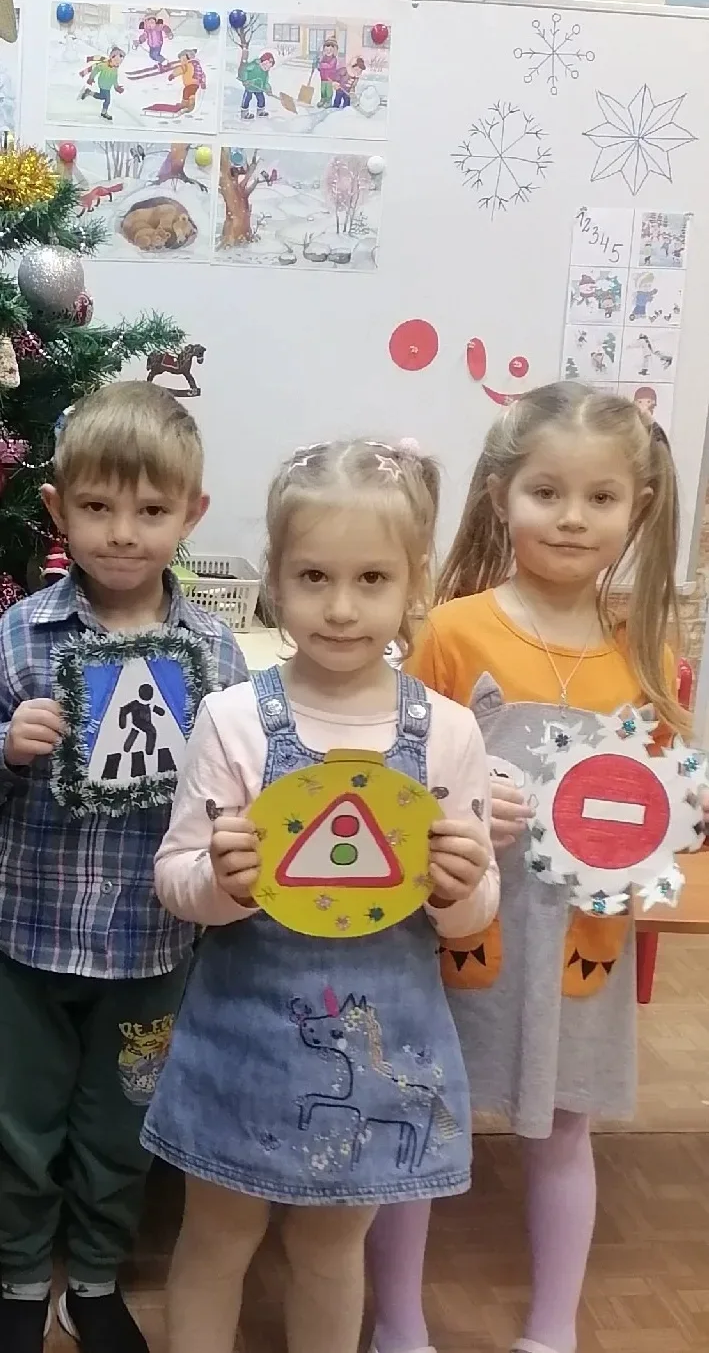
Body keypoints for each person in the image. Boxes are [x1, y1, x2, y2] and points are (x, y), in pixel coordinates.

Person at [141, 438, 500, 1353]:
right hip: (242, 1031)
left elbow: (472, 914)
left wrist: (460, 890)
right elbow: (175, 880)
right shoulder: (233, 718)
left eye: (371, 578)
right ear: (275, 579)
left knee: (333, 1248)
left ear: (413, 583)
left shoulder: (448, 733)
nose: (341, 608)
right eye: (313, 577)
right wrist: (222, 884)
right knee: (216, 1238)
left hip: (386, 1035)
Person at [367, 383, 692, 1353]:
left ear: (637, 507)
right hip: (457, 928)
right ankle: (397, 1326)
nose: (572, 517)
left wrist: (678, 810)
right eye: (547, 492)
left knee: (563, 1131)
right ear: (501, 494)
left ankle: (553, 1331)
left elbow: (666, 795)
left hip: (580, 940)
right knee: (423, 1120)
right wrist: (457, 799)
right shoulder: (450, 631)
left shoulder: (646, 649)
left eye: (600, 497)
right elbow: (387, 777)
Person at [0, 383, 247, 1353]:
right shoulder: (19, 637)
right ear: (57, 509)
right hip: (27, 937)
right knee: (18, 1123)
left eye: (150, 510)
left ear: (191, 514)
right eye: (97, 507)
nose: (122, 533)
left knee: (120, 1127)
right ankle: (21, 1277)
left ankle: (95, 1279)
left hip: (152, 946)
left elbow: (243, 782)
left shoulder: (215, 654)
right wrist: (6, 745)